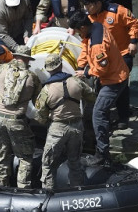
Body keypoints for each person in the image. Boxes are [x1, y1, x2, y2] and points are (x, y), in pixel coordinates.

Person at [69, 11, 129, 166]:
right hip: (112, 75)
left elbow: (102, 68)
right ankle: (101, 136)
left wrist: (86, 72)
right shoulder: (95, 27)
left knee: (98, 113)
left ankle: (102, 153)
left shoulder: (98, 44)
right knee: (100, 109)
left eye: (77, 30)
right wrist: (81, 64)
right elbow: (84, 48)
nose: (76, 33)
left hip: (114, 79)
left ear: (82, 27)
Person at [81, 0, 138, 130]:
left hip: (122, 54)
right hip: (104, 59)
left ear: (97, 3)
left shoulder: (117, 11)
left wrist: (133, 41)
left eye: (88, 4)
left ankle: (123, 117)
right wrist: (81, 64)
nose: (85, 8)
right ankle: (105, 118)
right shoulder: (89, 18)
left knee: (120, 87)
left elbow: (134, 23)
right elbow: (85, 44)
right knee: (103, 87)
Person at [34, 53, 96, 188]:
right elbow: (92, 97)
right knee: (75, 161)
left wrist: (46, 120)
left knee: (48, 164)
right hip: (77, 127)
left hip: (57, 128)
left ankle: (48, 194)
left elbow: (41, 115)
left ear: (48, 69)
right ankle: (76, 191)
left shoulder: (46, 89)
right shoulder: (77, 81)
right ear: (61, 65)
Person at [0, 45, 41, 187]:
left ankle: (2, 186)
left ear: (15, 56)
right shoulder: (32, 78)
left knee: (2, 155)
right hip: (17, 122)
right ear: (26, 59)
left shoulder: (2, 69)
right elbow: (38, 101)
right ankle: (22, 190)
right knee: (25, 158)